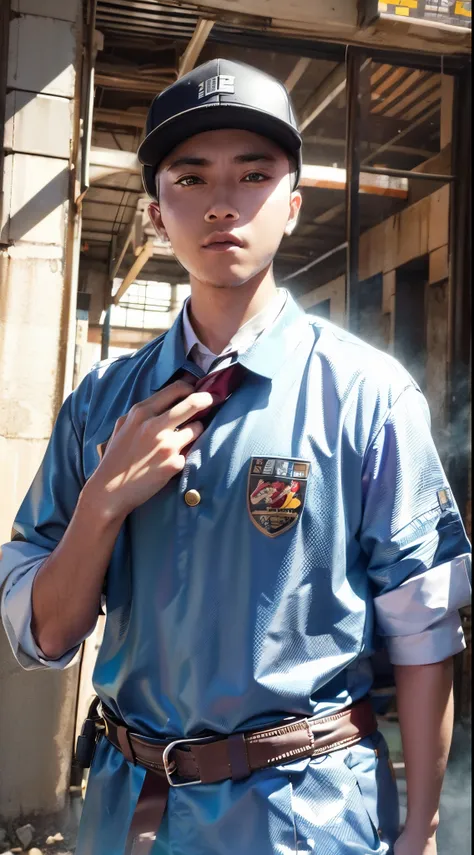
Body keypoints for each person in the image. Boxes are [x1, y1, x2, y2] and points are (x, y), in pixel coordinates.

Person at [0, 58, 471, 855]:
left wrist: (419, 833)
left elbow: (424, 630)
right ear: (155, 214)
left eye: (253, 175)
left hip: (308, 819)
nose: (223, 203)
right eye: (190, 178)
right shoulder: (101, 406)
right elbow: (46, 635)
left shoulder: (369, 398)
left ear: (292, 205)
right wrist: (103, 502)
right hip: (132, 819)